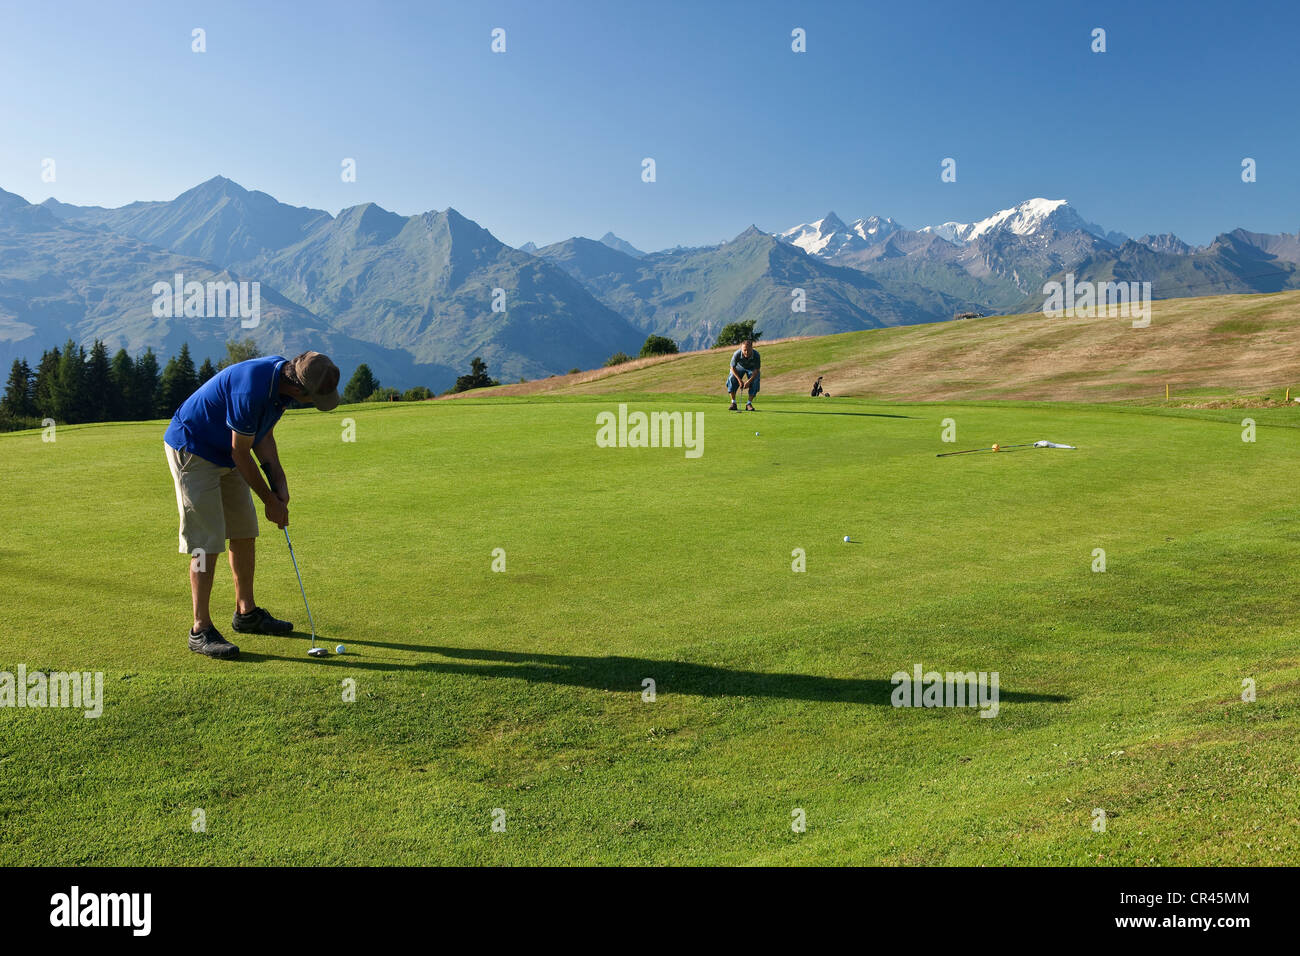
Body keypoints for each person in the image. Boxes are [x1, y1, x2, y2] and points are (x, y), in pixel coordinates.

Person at [163, 351, 340, 659]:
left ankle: (246, 613)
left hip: (228, 450)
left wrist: (279, 483)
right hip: (194, 449)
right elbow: (240, 452)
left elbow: (263, 436)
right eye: (313, 398)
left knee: (244, 529)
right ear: (299, 388)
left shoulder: (283, 384)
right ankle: (199, 629)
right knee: (206, 542)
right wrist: (269, 501)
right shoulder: (252, 389)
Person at [726, 338, 761, 411]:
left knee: (756, 380)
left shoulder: (756, 355)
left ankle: (749, 404)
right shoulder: (737, 354)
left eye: (748, 350)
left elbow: (756, 370)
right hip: (739, 367)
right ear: (741, 348)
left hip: (752, 369)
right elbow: (732, 367)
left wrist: (749, 381)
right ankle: (733, 403)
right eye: (744, 350)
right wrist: (739, 380)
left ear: (752, 348)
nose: (746, 352)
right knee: (732, 377)